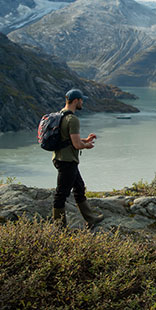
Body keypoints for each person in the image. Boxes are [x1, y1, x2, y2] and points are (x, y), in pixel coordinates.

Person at [51, 89, 103, 229]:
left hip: (60, 158)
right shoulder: (73, 119)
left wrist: (86, 139)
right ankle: (59, 228)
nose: (82, 102)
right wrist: (87, 145)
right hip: (67, 161)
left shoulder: (61, 114)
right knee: (61, 194)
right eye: (81, 100)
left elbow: (67, 138)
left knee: (79, 188)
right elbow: (76, 144)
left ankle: (91, 219)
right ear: (75, 101)